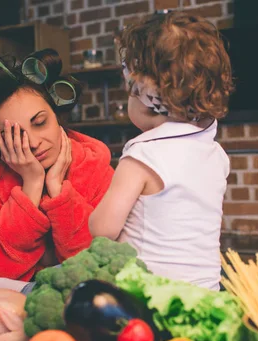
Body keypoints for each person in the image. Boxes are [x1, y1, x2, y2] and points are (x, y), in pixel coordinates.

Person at [89, 12, 233, 290]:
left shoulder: (143, 156)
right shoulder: (216, 155)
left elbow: (102, 230)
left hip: (149, 296)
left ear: (142, 94)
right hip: (206, 291)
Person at [0, 49, 114, 288]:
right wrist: (31, 187)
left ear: (57, 115)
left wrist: (59, 193)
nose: (33, 143)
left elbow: (101, 268)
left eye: (40, 123)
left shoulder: (94, 166)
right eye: (13, 136)